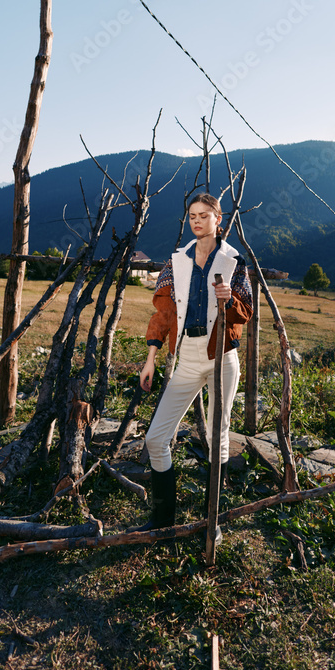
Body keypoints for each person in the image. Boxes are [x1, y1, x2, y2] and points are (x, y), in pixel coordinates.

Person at [129, 193, 253, 535]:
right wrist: (151, 358)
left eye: (204, 215)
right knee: (156, 438)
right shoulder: (177, 262)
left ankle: (212, 521)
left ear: (218, 219)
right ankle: (163, 521)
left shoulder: (233, 261)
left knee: (217, 436)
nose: (197, 221)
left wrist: (230, 301)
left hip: (222, 358)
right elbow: (164, 313)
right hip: (188, 357)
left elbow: (246, 311)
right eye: (192, 216)